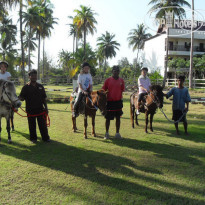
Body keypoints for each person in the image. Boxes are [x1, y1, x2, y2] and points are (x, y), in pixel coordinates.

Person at [19, 69, 50, 143]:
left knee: (43, 125)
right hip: (30, 110)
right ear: (29, 77)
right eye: (32, 76)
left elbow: (44, 98)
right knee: (32, 125)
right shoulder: (25, 87)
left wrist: (46, 108)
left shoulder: (40, 86)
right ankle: (33, 139)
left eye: (35, 75)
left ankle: (45, 138)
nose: (34, 77)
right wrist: (18, 98)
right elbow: (22, 98)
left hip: (40, 110)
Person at [102, 65, 125, 139]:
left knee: (118, 118)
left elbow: (122, 90)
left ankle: (117, 133)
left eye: (117, 71)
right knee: (108, 118)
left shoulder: (121, 80)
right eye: (115, 71)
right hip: (110, 102)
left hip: (118, 102)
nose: (116, 72)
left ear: (119, 72)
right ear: (112, 72)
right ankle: (107, 133)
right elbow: (103, 90)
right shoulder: (108, 80)